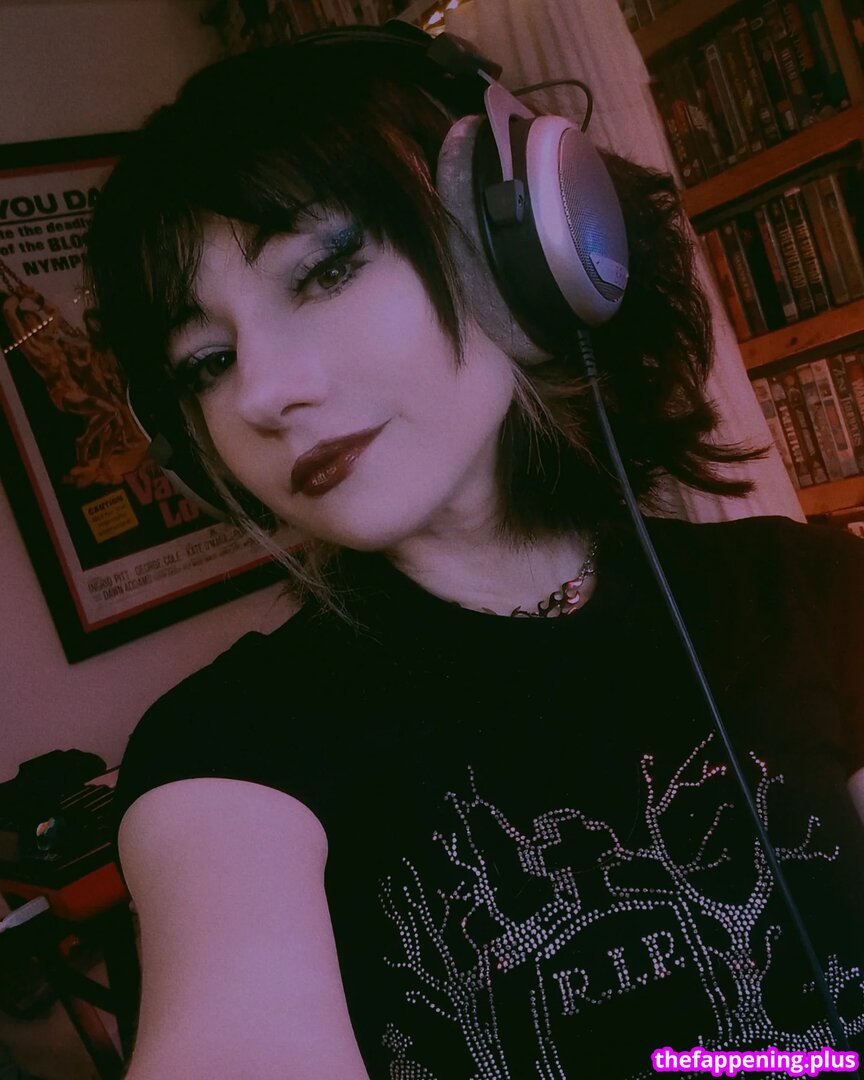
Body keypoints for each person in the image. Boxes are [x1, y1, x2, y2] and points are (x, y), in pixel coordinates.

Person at [84, 23, 864, 1080]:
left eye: (325, 270)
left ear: (520, 248)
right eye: (207, 362)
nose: (263, 393)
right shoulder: (228, 753)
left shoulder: (811, 591)